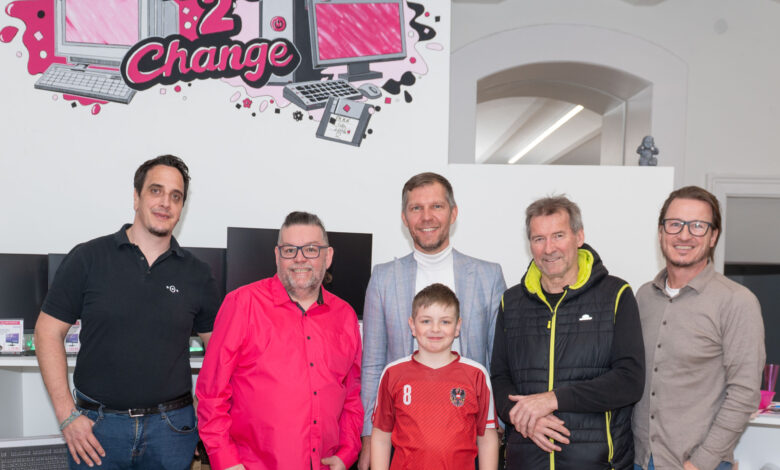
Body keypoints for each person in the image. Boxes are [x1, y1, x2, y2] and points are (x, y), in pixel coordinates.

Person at [35, 155, 220, 469]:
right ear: (136, 197)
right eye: (156, 191)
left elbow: (219, 350)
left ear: (181, 207)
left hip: (171, 431)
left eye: (176, 196)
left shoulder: (198, 274)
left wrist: (202, 411)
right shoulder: (88, 258)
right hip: (96, 430)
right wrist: (67, 415)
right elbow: (47, 332)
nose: (165, 203)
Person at [359, 172, 506, 468]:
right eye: (416, 208)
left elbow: (499, 361)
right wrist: (368, 438)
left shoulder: (488, 276)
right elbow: (373, 365)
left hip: (468, 436)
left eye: (436, 206)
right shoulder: (383, 278)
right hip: (404, 439)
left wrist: (497, 428)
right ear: (405, 217)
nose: (426, 217)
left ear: (453, 213)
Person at [196, 211, 363, 470]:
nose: (299, 258)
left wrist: (347, 452)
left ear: (328, 256)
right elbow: (211, 393)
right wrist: (226, 461)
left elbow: (352, 394)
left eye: (311, 249)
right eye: (289, 250)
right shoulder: (242, 304)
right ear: (277, 255)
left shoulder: (345, 316)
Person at [491, 195, 645, 469]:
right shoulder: (511, 302)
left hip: (597, 463)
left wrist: (553, 399)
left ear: (579, 236)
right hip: (527, 460)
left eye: (558, 236)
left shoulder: (616, 294)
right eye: (539, 239)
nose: (549, 248)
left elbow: (629, 381)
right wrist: (525, 418)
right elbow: (500, 378)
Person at [632, 186, 765, 470]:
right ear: (661, 232)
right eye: (675, 224)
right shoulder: (643, 296)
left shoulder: (737, 302)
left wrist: (700, 463)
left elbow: (744, 394)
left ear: (713, 236)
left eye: (697, 226)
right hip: (639, 461)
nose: (684, 235)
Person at [370, 283, 499, 469]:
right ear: (412, 325)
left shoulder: (476, 375)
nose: (436, 329)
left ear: (457, 326)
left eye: (445, 322)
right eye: (426, 321)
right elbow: (381, 436)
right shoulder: (393, 373)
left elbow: (486, 438)